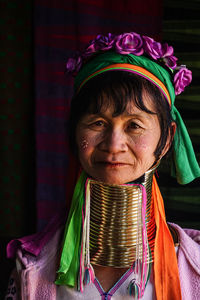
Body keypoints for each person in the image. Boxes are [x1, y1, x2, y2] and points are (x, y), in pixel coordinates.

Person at [5, 32, 200, 300]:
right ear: (74, 133)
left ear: (167, 140)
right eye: (97, 123)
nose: (113, 143)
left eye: (134, 125)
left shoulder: (195, 268)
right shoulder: (30, 268)